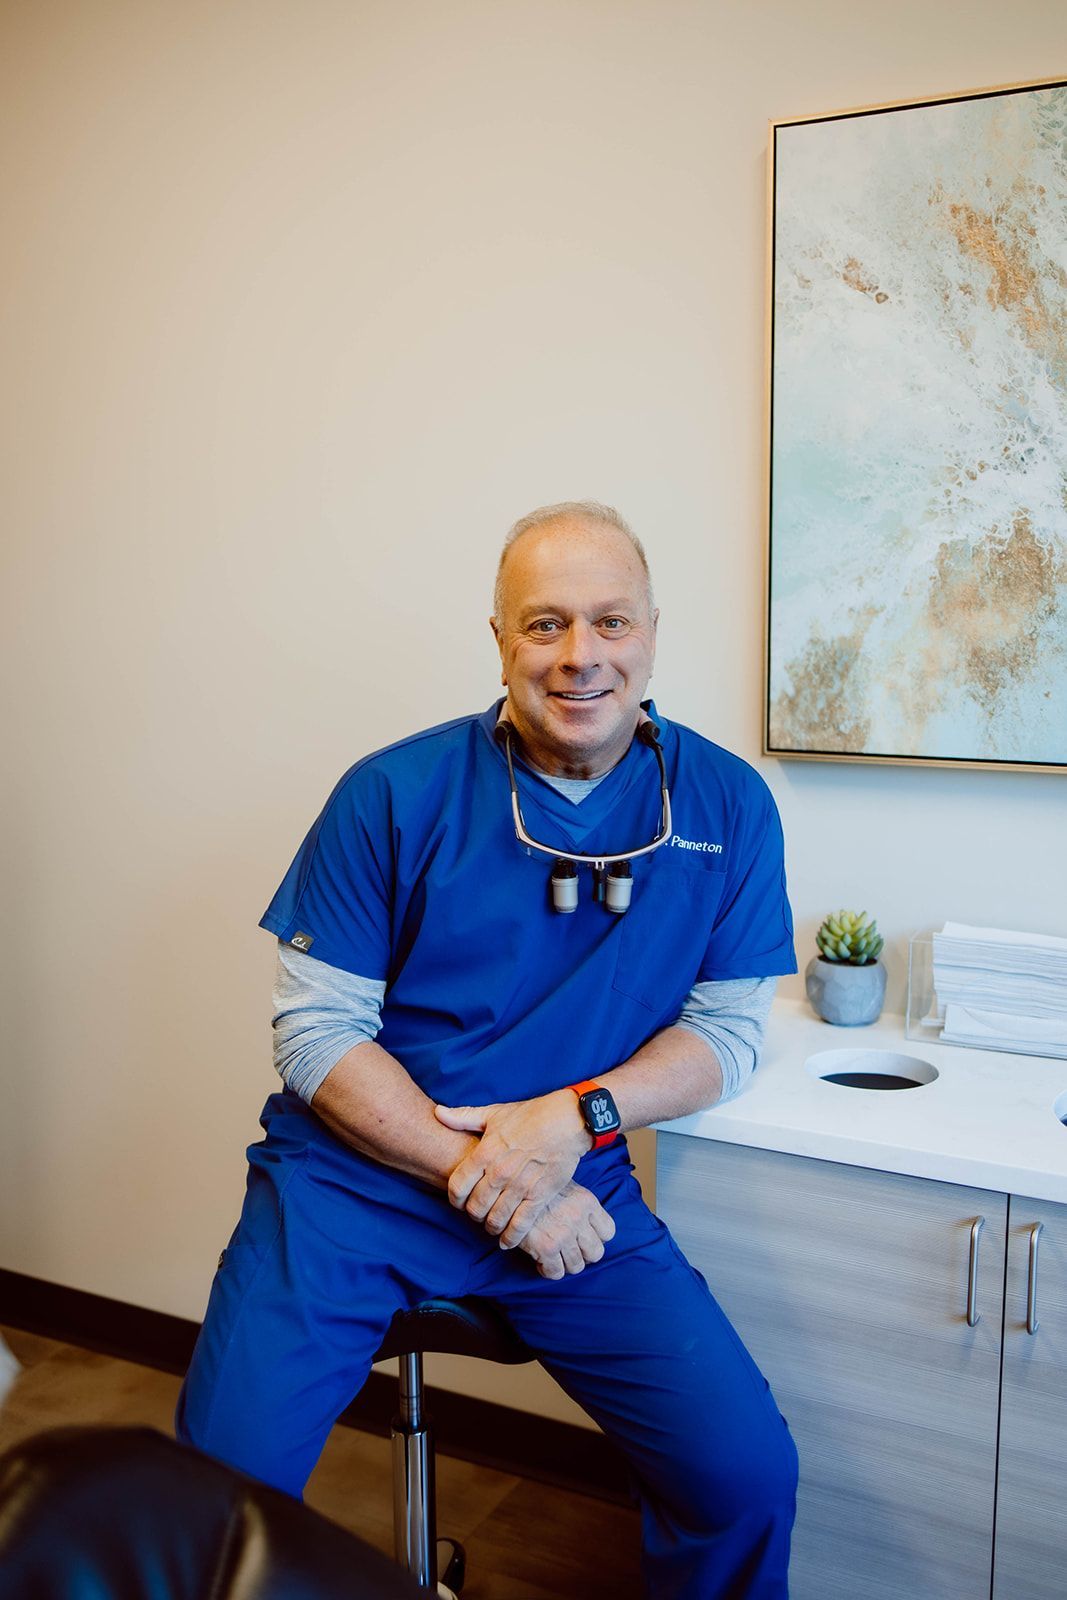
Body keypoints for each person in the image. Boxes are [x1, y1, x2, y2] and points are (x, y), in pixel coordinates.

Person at [176, 501, 799, 1598]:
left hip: (574, 1181)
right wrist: (487, 1175)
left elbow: (728, 1031)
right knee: (209, 1505)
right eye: (544, 623)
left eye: (610, 621)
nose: (579, 654)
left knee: (741, 1478)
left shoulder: (726, 803)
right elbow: (316, 1032)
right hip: (353, 1184)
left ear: (652, 633)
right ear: (501, 638)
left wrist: (574, 1120)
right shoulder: (394, 792)